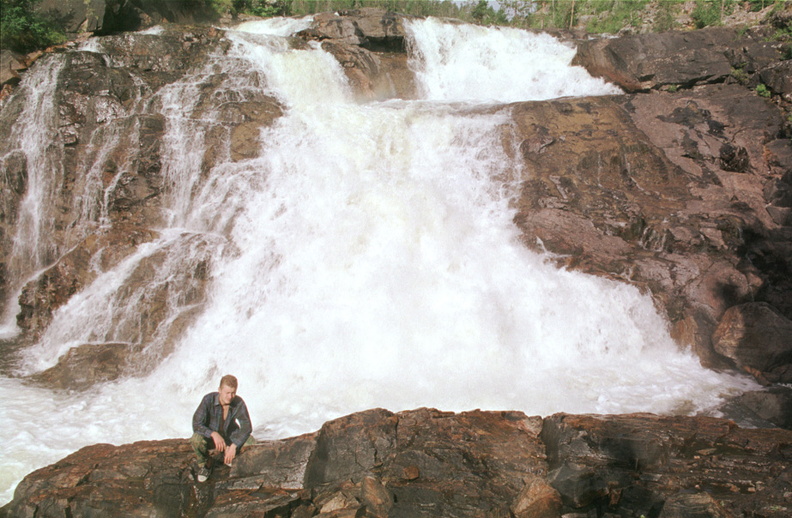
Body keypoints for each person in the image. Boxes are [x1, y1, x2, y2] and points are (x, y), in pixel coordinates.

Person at [190, 374, 255, 482]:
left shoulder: (238, 402)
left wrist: (234, 445)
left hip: (230, 437)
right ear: (219, 390)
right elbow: (196, 424)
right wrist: (213, 434)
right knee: (196, 440)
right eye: (227, 393)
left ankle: (230, 456)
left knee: (251, 441)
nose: (230, 396)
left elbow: (247, 427)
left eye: (233, 393)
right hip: (210, 437)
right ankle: (205, 465)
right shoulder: (208, 400)